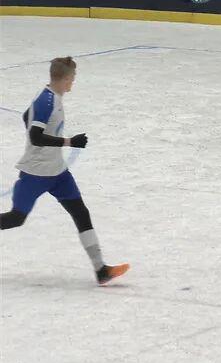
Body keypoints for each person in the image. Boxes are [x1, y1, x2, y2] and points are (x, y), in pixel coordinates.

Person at [0, 57, 129, 285]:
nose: (73, 83)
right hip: (36, 173)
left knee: (81, 212)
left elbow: (25, 116)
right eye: (72, 78)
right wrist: (70, 142)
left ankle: (101, 270)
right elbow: (35, 137)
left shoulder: (53, 96)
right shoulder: (46, 101)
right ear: (64, 78)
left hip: (58, 174)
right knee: (16, 218)